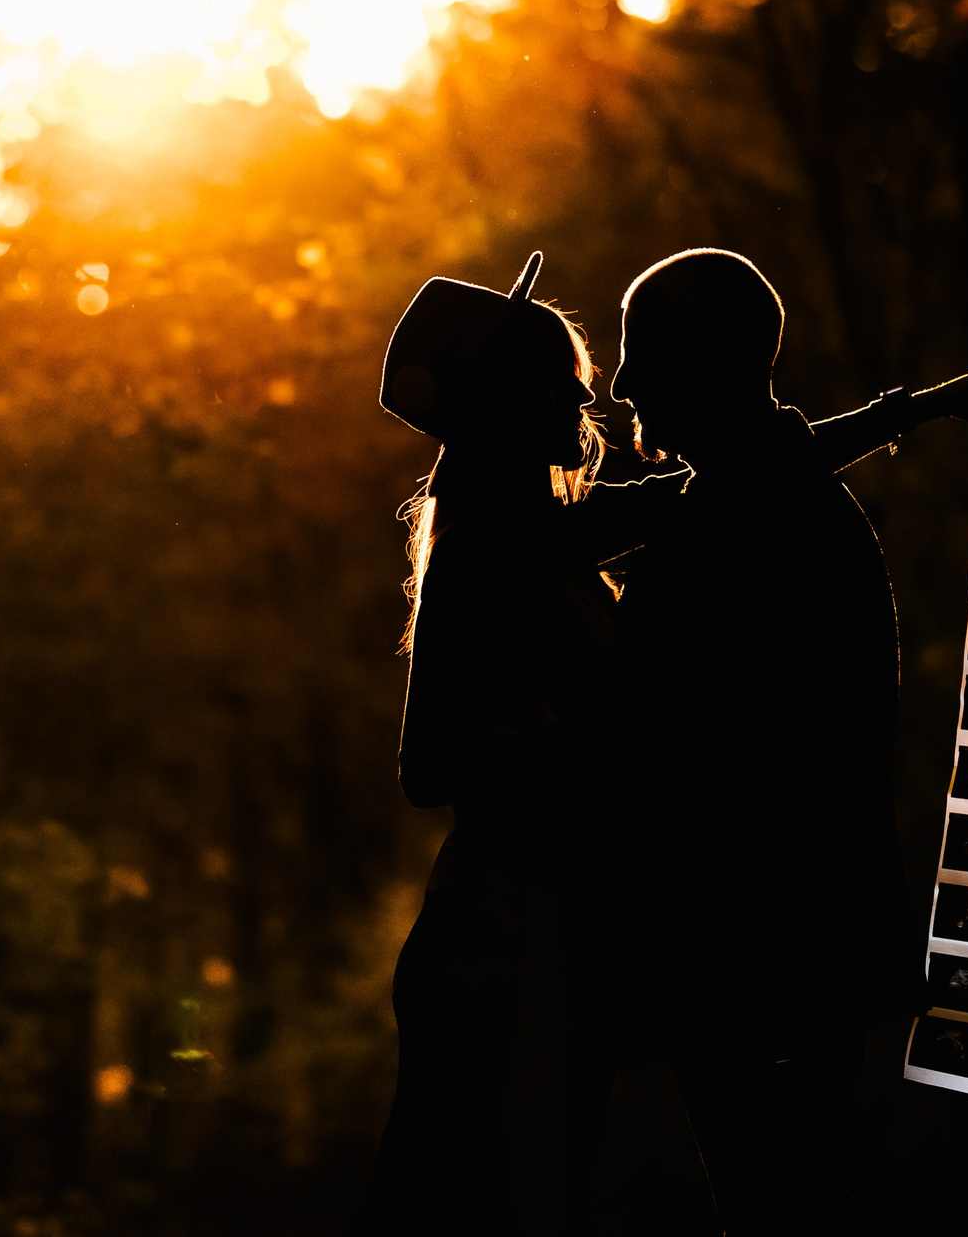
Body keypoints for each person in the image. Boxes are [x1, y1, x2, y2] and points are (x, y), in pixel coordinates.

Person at [569, 248, 968, 1222]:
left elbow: (654, 732)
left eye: (641, 350)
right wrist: (903, 410)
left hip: (754, 957)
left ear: (710, 357)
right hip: (799, 952)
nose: (618, 385)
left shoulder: (736, 520)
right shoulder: (758, 497)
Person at [356, 253, 619, 1236]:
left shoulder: (539, 531)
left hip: (533, 940)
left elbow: (726, 480)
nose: (583, 411)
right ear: (516, 403)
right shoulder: (489, 547)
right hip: (495, 951)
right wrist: (593, 755)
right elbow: (427, 766)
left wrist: (908, 410)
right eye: (563, 387)